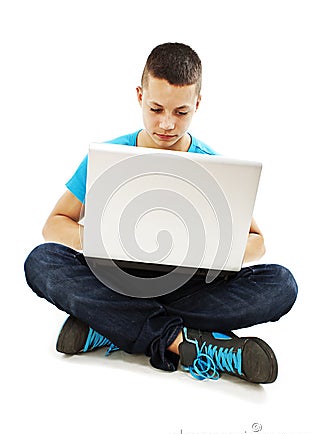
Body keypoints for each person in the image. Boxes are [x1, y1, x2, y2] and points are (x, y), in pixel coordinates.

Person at [24, 42, 298, 383]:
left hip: (189, 287)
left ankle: (110, 325)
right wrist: (100, 237)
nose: (166, 124)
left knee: (282, 284)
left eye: (181, 113)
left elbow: (257, 242)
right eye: (155, 108)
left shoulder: (213, 165)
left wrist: (215, 249)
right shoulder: (108, 155)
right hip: (116, 281)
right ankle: (187, 342)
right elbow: (53, 225)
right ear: (139, 95)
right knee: (42, 260)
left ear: (197, 104)